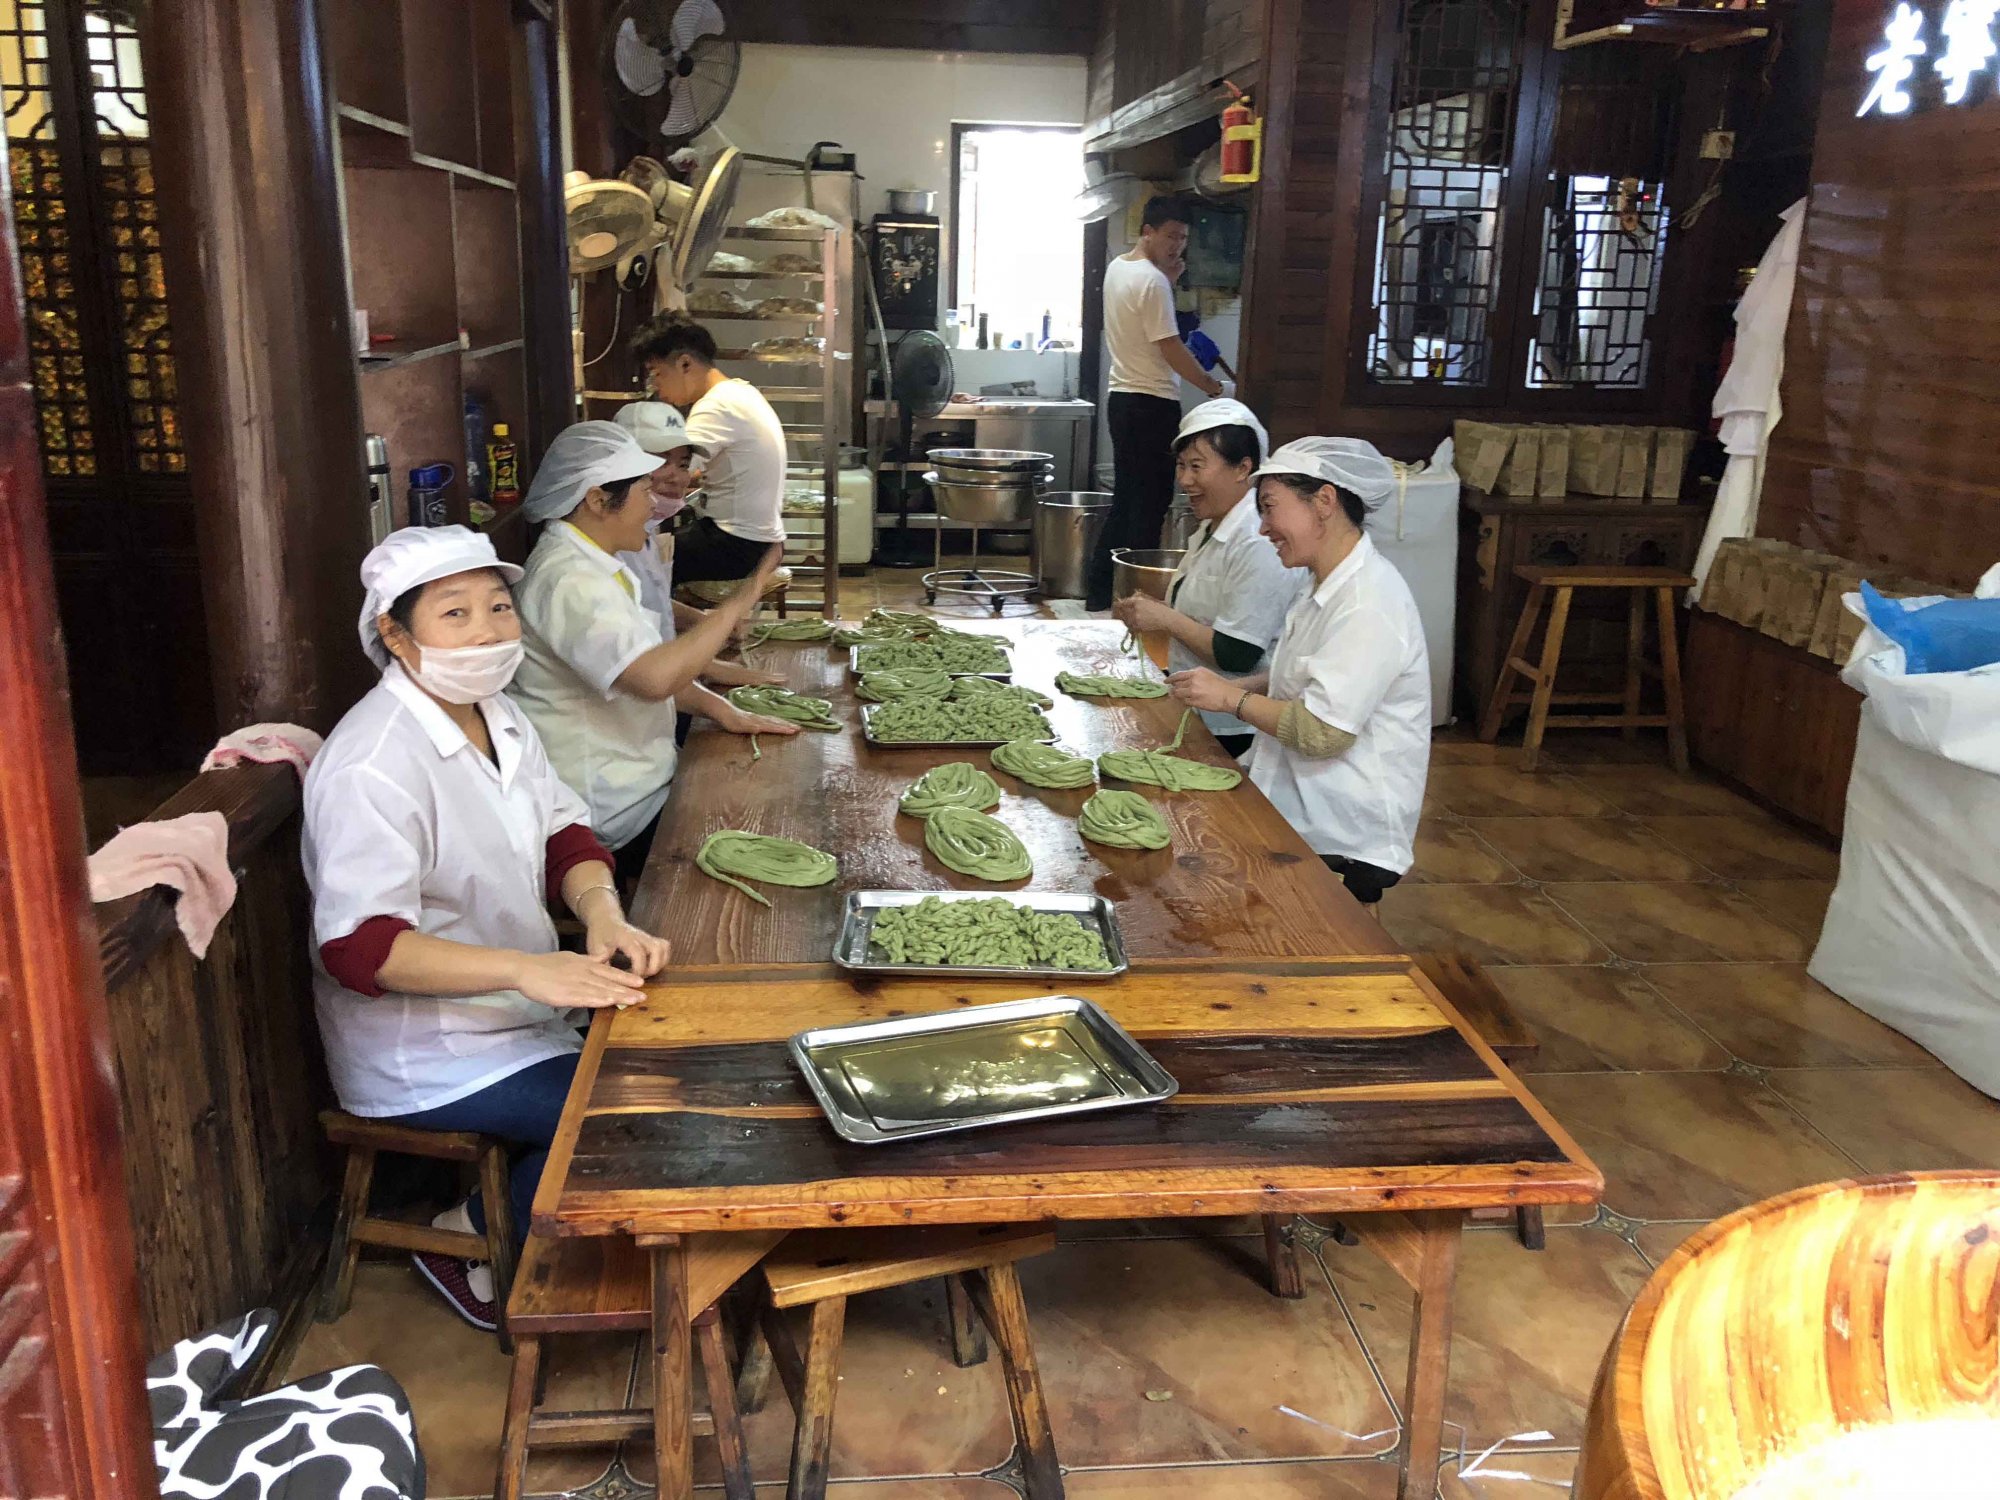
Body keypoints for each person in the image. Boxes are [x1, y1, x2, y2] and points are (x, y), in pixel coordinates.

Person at [303, 525, 674, 1331]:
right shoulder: (373, 763)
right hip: (429, 1048)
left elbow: (563, 835)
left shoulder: (496, 714)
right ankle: (462, 1239)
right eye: (455, 613)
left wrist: (603, 914)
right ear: (395, 635)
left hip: (517, 1008)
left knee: (664, 1069)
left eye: (499, 607)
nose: (487, 631)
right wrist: (526, 969)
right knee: (627, 1114)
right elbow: (359, 949)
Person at [509, 422, 798, 890]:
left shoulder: (595, 564)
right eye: (644, 490)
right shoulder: (568, 580)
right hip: (614, 806)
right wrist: (744, 596)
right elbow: (653, 678)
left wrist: (721, 709)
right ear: (597, 499)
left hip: (646, 775)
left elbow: (641, 666)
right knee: (765, 826)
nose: (651, 503)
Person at [1167, 437, 1430, 908]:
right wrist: (1240, 685)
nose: (1264, 527)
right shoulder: (1324, 581)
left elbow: (1322, 733)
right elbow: (1305, 673)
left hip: (1342, 826)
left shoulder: (1368, 603)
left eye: (1270, 508)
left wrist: (1231, 700)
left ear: (1324, 501)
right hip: (1294, 797)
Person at [1111, 399, 1302, 758]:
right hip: (1201, 708)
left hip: (1237, 725)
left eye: (1197, 466)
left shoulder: (1257, 540)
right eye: (1181, 466)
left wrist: (1165, 618)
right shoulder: (1215, 525)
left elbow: (1237, 653)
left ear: (1243, 468)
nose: (1185, 480)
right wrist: (1156, 610)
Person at [1087, 195, 1225, 610]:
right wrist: (1210, 386)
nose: (1177, 245)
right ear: (1147, 231)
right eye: (1170, 236)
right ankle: (1136, 601)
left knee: (1127, 501)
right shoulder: (1153, 282)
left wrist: (1168, 277)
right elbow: (1170, 347)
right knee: (1149, 507)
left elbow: (1146, 322)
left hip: (1122, 399)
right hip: (1152, 403)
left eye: (1183, 238)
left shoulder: (1120, 267)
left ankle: (1100, 593)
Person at [612, 399, 782, 698]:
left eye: (682, 464)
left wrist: (701, 623)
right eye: (659, 461)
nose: (676, 476)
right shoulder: (598, 556)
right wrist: (744, 597)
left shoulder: (644, 532)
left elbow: (649, 605)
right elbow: (645, 676)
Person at [629, 311, 787, 587]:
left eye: (658, 374)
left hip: (737, 544)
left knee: (634, 560)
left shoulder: (715, 406)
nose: (657, 387)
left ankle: (667, 616)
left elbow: (675, 476)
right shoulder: (740, 391)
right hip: (758, 538)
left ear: (685, 364)